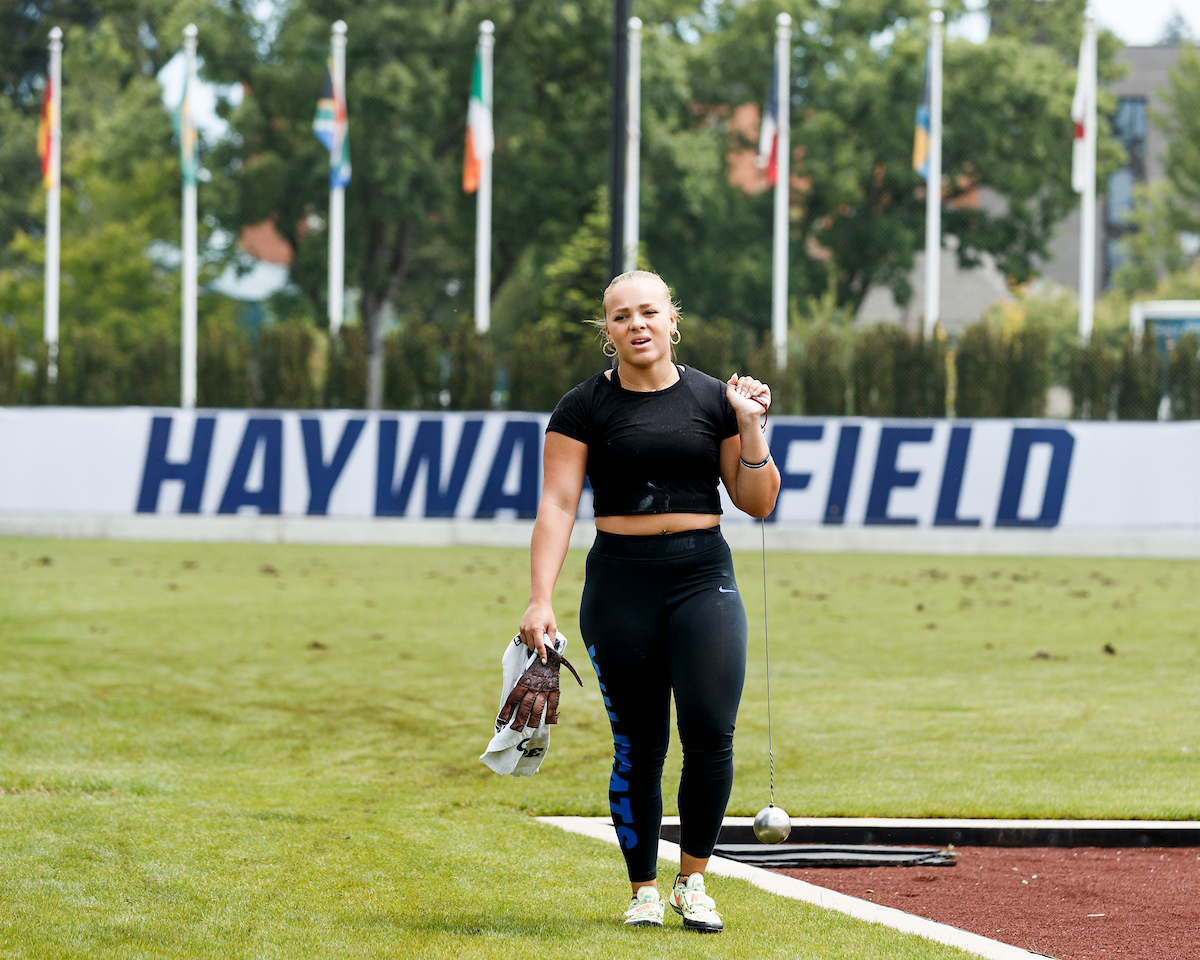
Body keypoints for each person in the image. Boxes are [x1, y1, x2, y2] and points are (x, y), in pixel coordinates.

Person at [518, 270, 781, 933]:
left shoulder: (714, 399)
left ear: (673, 319)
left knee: (711, 732)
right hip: (619, 585)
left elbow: (757, 501)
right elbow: (556, 505)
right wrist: (539, 600)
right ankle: (642, 889)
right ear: (606, 332)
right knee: (639, 744)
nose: (637, 325)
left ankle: (693, 882)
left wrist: (751, 428)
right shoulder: (582, 408)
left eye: (648, 312)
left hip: (702, 580)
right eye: (621, 317)